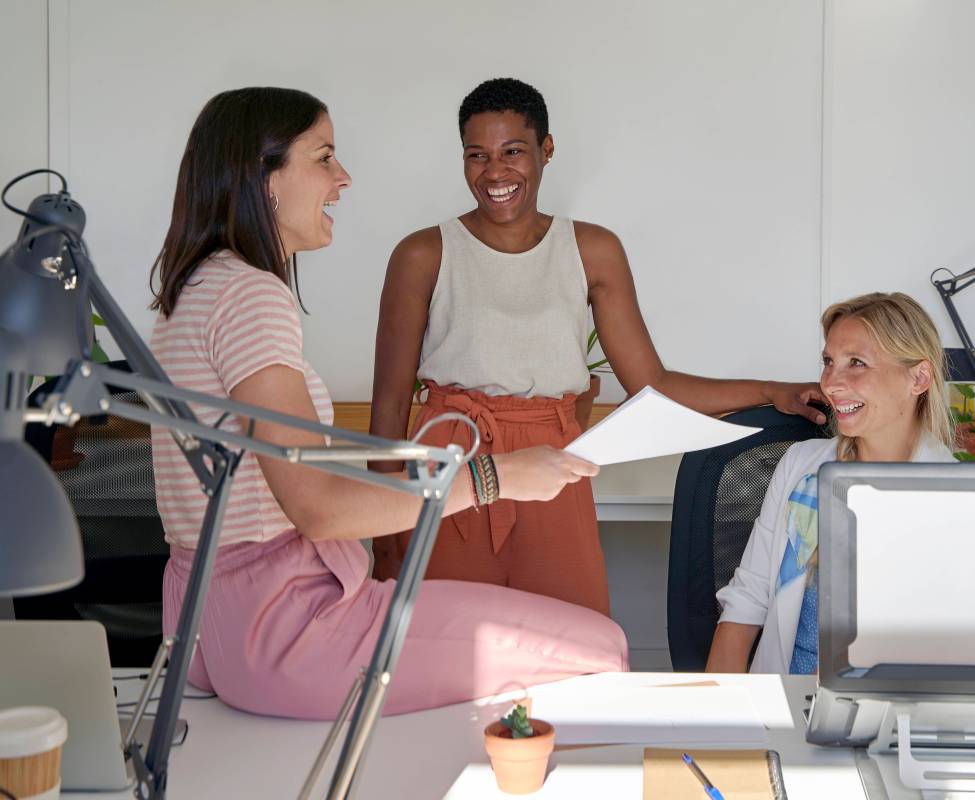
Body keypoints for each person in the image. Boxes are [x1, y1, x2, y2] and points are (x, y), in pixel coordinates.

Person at [148, 87, 627, 720]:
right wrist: (497, 475)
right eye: (323, 158)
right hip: (287, 626)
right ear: (263, 177)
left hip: (204, 621)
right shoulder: (250, 297)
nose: (341, 178)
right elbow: (316, 509)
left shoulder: (194, 290)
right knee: (603, 645)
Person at [368, 77, 828, 614]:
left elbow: (652, 385)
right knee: (443, 642)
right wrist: (386, 525)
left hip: (554, 462)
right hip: (453, 460)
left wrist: (774, 391)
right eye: (477, 155)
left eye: (513, 151)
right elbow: (391, 402)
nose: (495, 172)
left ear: (546, 150)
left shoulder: (592, 249)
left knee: (572, 639)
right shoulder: (423, 253)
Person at [705, 292, 957, 674]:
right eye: (828, 362)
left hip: (895, 713)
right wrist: (719, 722)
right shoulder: (800, 466)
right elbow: (748, 597)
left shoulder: (954, 494)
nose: (831, 383)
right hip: (786, 701)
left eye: (856, 363)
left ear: (919, 378)